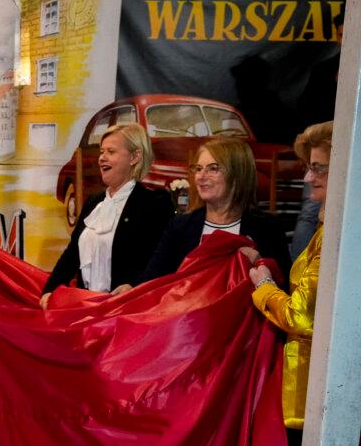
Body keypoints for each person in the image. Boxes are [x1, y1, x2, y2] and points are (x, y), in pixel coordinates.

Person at [244, 121, 332, 446]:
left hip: (312, 395)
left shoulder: (332, 234)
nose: (309, 177)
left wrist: (263, 285)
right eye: (309, 167)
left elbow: (301, 316)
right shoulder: (329, 227)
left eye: (319, 167)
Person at [40, 123, 174, 308]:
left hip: (127, 311)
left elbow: (164, 262)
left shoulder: (155, 204)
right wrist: (50, 290)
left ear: (135, 157)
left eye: (111, 151)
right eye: (101, 152)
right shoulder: (93, 202)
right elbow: (72, 255)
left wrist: (135, 286)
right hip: (84, 309)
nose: (102, 158)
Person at [130, 137, 291, 290]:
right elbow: (152, 281)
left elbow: (285, 295)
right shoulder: (180, 226)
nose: (201, 176)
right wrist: (131, 290)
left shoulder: (268, 229)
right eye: (198, 169)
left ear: (238, 173)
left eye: (213, 168)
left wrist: (260, 262)